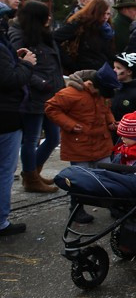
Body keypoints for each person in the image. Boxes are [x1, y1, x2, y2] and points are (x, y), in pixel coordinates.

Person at [44, 65, 120, 224]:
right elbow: (51, 108)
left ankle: (113, 204)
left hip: (102, 142)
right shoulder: (69, 94)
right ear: (90, 85)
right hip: (79, 144)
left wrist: (111, 122)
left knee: (108, 175)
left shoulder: (102, 92)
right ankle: (77, 209)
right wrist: (69, 124)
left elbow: (106, 110)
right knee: (80, 179)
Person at [9, 1, 63, 193]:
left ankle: (33, 172)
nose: (49, 18)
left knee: (54, 137)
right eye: (45, 15)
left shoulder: (45, 35)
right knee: (31, 140)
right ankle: (31, 177)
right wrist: (40, 83)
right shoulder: (19, 35)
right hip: (32, 97)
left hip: (51, 96)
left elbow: (54, 65)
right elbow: (17, 64)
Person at [54, 110, 136, 200]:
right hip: (127, 174)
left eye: (126, 137)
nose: (122, 139)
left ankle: (78, 178)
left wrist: (125, 154)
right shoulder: (130, 145)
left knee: (102, 180)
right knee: (97, 175)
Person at [0, 9, 35, 236]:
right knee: (4, 170)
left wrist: (15, 57)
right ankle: (1, 222)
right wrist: (27, 64)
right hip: (6, 116)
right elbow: (10, 80)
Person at [54, 0, 114, 74]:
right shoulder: (79, 25)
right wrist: (69, 63)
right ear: (94, 12)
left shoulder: (107, 30)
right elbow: (54, 39)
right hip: (82, 71)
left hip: (101, 71)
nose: (106, 17)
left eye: (108, 14)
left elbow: (108, 52)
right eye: (102, 14)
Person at [111, 52, 136, 118]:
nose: (114, 70)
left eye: (118, 68)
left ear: (129, 72)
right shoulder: (113, 88)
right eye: (114, 67)